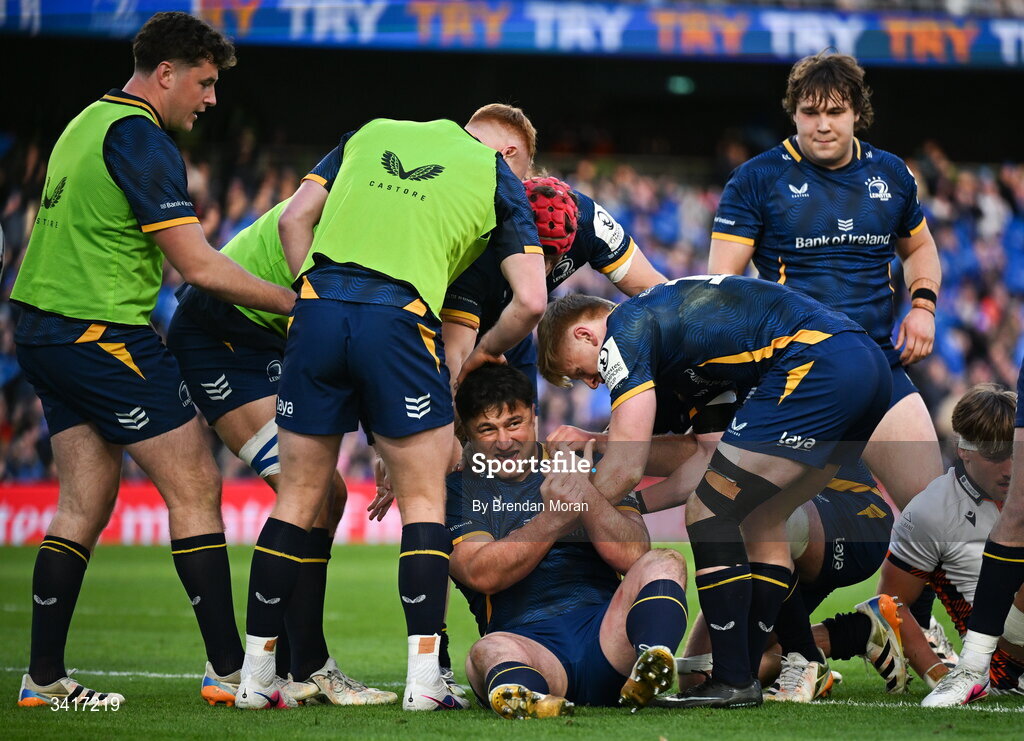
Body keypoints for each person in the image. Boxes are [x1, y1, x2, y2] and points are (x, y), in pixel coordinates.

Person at [12, 12, 294, 709]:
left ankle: (41, 677)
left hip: (42, 328)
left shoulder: (87, 123)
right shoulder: (141, 140)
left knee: (83, 503)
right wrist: (299, 303)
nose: (210, 99)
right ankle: (231, 670)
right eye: (203, 82)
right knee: (197, 483)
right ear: (164, 74)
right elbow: (198, 266)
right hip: (99, 332)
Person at [234, 116, 548, 710]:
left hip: (318, 309)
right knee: (423, 502)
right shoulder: (494, 175)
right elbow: (531, 299)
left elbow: (293, 218)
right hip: (400, 316)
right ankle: (426, 681)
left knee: (297, 498)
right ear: (509, 153)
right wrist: (484, 351)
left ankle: (256, 678)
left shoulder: (371, 132)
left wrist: (311, 293)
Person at [536, 276, 891, 708]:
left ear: (585, 334)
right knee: (759, 517)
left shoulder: (623, 330)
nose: (591, 383)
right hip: (864, 362)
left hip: (817, 361)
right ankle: (742, 675)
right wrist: (635, 503)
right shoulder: (685, 343)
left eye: (577, 371)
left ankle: (734, 680)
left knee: (708, 513)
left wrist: (564, 518)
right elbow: (708, 457)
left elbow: (628, 466)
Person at [166, 195, 395, 706]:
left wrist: (381, 441)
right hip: (218, 332)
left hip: (265, 336)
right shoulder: (367, 218)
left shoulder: (372, 207)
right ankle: (296, 667)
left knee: (326, 495)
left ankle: (296, 666)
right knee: (310, 491)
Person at [707, 51, 943, 513]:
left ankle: (912, 588)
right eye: (809, 113)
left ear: (857, 112)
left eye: (835, 112)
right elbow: (721, 285)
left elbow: (919, 248)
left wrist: (923, 307)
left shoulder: (891, 174)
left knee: (935, 515)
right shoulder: (756, 179)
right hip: (795, 371)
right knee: (749, 515)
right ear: (793, 113)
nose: (822, 125)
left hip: (879, 367)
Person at [447, 364, 689, 717]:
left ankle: (649, 665)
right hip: (529, 645)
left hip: (608, 639)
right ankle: (531, 700)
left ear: (533, 415)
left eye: (513, 423)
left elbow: (634, 554)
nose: (503, 441)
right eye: (487, 429)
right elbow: (480, 572)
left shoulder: (586, 460)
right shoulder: (461, 487)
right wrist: (555, 519)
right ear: (467, 433)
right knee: (486, 651)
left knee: (666, 561)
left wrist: (584, 493)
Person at [441, 104, 667, 390]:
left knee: (523, 426)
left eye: (554, 257)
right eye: (538, 252)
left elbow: (661, 295)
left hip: (513, 327)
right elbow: (454, 357)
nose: (545, 268)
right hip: (464, 322)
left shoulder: (586, 218)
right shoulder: (480, 235)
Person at [896, 383, 1024, 707]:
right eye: (995, 456)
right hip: (1002, 649)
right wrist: (937, 672)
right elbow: (890, 604)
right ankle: (972, 671)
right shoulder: (932, 510)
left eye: (1014, 452)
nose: (1009, 468)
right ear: (964, 448)